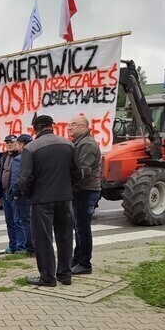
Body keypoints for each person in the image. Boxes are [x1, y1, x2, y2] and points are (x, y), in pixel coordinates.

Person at [18, 115, 78, 287]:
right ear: (52, 126)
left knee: (43, 239)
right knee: (65, 237)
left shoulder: (31, 147)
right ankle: (65, 275)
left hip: (42, 200)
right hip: (65, 199)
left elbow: (24, 179)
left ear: (35, 129)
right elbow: (78, 173)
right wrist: (68, 189)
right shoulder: (69, 144)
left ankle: (48, 277)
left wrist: (29, 194)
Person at [68, 115, 102, 275]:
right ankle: (77, 259)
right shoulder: (80, 142)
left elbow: (82, 171)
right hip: (82, 190)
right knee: (78, 227)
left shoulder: (87, 144)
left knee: (82, 228)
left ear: (84, 126)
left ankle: (84, 263)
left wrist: (69, 185)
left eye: (73, 124)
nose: (69, 127)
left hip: (85, 190)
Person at [10, 134, 34, 255]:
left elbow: (16, 179)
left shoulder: (19, 158)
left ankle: (29, 248)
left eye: (18, 144)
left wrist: (15, 193)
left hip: (23, 195)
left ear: (21, 145)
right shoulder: (36, 154)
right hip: (35, 193)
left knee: (24, 221)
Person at [0, 135, 19, 253]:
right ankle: (12, 246)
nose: (9, 144)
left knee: (18, 221)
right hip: (4, 193)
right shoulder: (3, 157)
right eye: (7, 142)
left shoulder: (20, 156)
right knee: (9, 221)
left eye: (11, 142)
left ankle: (20, 247)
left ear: (17, 143)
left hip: (15, 193)